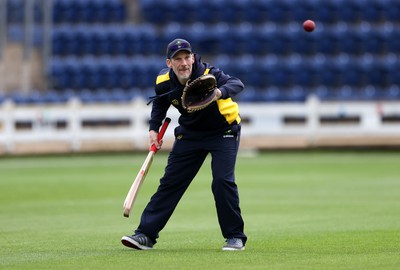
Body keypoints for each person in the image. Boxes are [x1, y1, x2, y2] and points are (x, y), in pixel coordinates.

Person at [121, 38, 247, 251]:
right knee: (171, 182)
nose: (184, 63)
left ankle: (235, 237)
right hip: (191, 134)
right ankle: (145, 235)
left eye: (187, 57)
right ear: (169, 63)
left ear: (193, 57)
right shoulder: (163, 80)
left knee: (222, 181)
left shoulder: (208, 73)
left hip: (223, 130)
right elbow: (160, 101)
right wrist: (153, 129)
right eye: (178, 59)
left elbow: (236, 83)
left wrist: (218, 93)